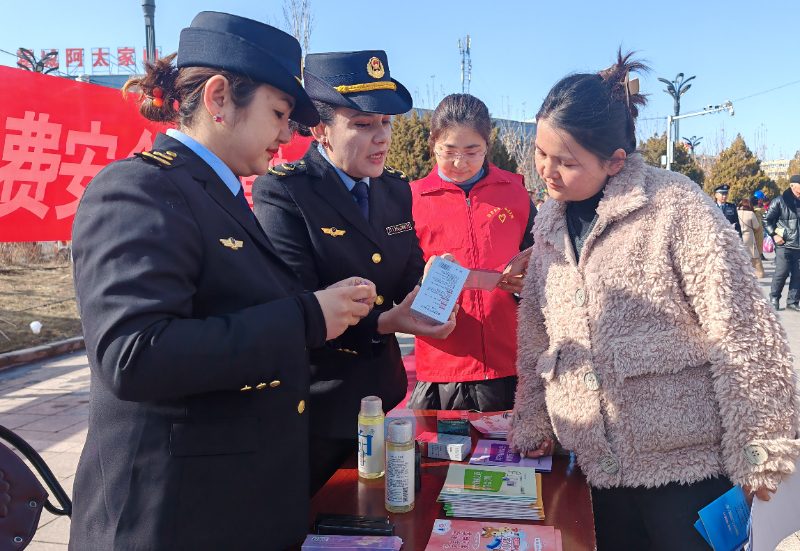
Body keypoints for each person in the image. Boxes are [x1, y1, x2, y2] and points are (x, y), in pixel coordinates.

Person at [68, 13, 376, 551]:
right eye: (279, 113)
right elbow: (133, 355)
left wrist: (318, 305)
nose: (287, 135)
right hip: (170, 518)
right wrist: (308, 316)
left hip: (227, 508)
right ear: (218, 98)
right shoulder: (140, 188)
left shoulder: (220, 192)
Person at [508, 51, 799, 551]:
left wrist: (762, 447)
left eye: (567, 162)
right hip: (597, 472)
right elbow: (536, 333)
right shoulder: (550, 222)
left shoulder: (675, 206)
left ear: (615, 160)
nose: (547, 174)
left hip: (687, 474)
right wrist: (533, 417)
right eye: (540, 153)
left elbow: (743, 326)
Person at [252, 50, 457, 496]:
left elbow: (407, 268)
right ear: (321, 128)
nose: (381, 137)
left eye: (386, 122)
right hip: (316, 407)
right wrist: (386, 321)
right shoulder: (285, 192)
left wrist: (434, 296)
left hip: (380, 395)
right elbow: (297, 303)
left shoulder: (393, 187)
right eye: (363, 125)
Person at [405, 93, 536, 411]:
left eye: (472, 151)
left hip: (512, 359)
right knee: (448, 458)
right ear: (433, 141)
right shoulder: (410, 199)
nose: (460, 163)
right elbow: (398, 276)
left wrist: (532, 280)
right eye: (449, 151)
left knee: (512, 458)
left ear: (487, 146)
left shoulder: (515, 192)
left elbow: (542, 256)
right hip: (445, 363)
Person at [764, 174, 800, 312]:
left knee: (798, 274)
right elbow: (766, 219)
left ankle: (793, 301)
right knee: (782, 272)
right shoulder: (779, 201)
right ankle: (774, 297)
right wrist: (774, 234)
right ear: (792, 186)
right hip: (784, 244)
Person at [738, 199, 765, 277]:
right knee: (753, 255)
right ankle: (759, 273)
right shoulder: (751, 214)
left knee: (740, 255)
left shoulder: (736, 212)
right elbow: (756, 226)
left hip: (738, 236)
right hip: (749, 236)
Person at [753, 190, 766, 259]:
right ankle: (760, 255)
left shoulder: (756, 209)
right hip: (758, 229)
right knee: (758, 242)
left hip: (759, 229)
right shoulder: (757, 210)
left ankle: (760, 254)